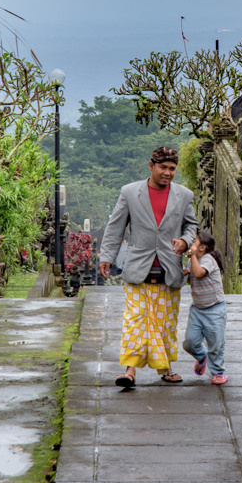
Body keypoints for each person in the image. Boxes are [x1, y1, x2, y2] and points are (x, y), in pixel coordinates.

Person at [98, 146, 197, 388]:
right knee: (136, 321)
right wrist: (107, 256)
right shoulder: (130, 193)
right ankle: (129, 371)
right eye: (163, 167)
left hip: (169, 269)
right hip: (138, 268)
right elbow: (115, 227)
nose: (167, 173)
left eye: (172, 169)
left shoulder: (184, 195)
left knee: (165, 324)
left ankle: (166, 368)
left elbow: (191, 226)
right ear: (150, 166)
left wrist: (184, 241)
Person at [182, 231, 227, 385]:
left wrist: (192, 257)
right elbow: (192, 278)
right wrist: (186, 273)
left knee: (216, 343)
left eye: (193, 242)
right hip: (197, 309)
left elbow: (200, 273)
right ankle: (202, 356)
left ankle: (218, 372)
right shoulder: (193, 261)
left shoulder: (209, 259)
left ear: (202, 247)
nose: (190, 245)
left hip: (215, 309)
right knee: (189, 342)